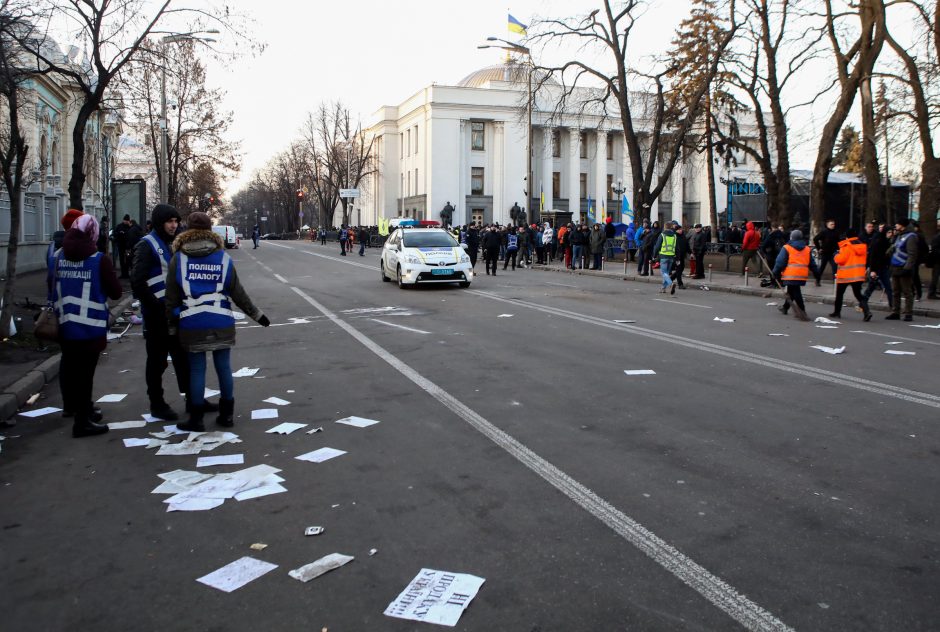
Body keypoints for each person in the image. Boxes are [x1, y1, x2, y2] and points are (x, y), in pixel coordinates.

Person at [165, 212, 270, 431]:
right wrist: (258, 316)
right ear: (210, 230)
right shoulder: (223, 258)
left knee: (196, 369)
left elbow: (171, 298)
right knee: (223, 366)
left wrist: (172, 327)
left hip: (191, 322)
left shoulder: (178, 259)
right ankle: (227, 415)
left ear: (188, 231)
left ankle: (196, 419)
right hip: (221, 320)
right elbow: (238, 294)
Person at [51, 214, 122, 437]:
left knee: (70, 367)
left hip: (64, 324)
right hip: (90, 327)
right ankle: (83, 421)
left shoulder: (58, 256)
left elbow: (51, 285)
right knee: (85, 374)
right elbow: (116, 292)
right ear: (93, 233)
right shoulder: (99, 259)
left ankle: (76, 408)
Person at [132, 204, 193, 421]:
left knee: (183, 358)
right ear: (159, 223)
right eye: (169, 222)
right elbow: (137, 282)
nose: (173, 225)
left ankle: (192, 400)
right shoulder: (146, 245)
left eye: (176, 221)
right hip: (157, 315)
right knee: (157, 361)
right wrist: (156, 306)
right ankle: (156, 403)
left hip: (175, 313)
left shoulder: (174, 243)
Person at [772, 230, 819, 321]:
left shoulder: (787, 247)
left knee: (796, 293)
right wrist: (817, 274)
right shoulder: (807, 249)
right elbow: (812, 264)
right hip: (802, 275)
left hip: (790, 274)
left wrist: (775, 272)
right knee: (791, 291)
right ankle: (785, 308)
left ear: (791, 237)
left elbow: (780, 262)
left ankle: (802, 311)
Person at [830, 227, 871, 321]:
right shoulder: (862, 246)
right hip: (858, 275)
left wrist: (836, 255)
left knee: (839, 294)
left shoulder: (846, 245)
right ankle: (867, 312)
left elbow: (841, 260)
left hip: (846, 274)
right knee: (858, 295)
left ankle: (837, 312)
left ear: (847, 236)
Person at [886, 218, 918, 321]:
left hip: (904, 267)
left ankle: (908, 313)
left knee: (907, 291)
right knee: (895, 291)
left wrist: (907, 268)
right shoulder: (899, 235)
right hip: (895, 266)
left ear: (902, 225)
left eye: (897, 224)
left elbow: (912, 254)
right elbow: (893, 249)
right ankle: (896, 312)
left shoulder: (911, 236)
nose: (895, 226)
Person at [863, 223, 894, 309]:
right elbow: (873, 256)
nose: (890, 234)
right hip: (876, 268)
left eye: (891, 232)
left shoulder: (887, 242)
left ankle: (893, 305)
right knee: (871, 287)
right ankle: (863, 302)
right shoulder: (878, 241)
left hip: (883, 267)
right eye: (889, 232)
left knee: (888, 287)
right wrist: (872, 270)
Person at [653, 221, 678, 294]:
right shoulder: (674, 236)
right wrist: (677, 256)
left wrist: (654, 255)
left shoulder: (662, 235)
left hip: (663, 256)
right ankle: (663, 288)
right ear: (671, 227)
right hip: (671, 256)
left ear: (664, 227)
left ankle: (671, 284)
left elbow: (657, 246)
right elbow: (676, 247)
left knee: (663, 273)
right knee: (666, 273)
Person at [813, 219, 839, 285]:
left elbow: (838, 241)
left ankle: (835, 281)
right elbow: (815, 239)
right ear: (827, 225)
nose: (833, 225)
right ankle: (817, 280)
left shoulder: (836, 232)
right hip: (825, 253)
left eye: (834, 224)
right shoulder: (824, 232)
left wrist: (838, 249)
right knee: (822, 267)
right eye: (831, 224)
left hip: (833, 253)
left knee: (834, 267)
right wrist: (819, 248)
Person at [672, 223, 690, 289]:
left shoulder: (683, 236)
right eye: (678, 230)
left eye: (681, 229)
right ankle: (680, 284)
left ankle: (671, 278)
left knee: (682, 268)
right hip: (676, 256)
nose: (680, 231)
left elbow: (686, 245)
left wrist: (690, 252)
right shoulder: (674, 236)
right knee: (679, 269)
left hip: (682, 255)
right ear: (676, 230)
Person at [928, 229, 940, 300]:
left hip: (937, 261)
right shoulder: (937, 238)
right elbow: (935, 250)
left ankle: (932, 292)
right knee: (935, 277)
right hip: (937, 261)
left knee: (935, 277)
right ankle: (931, 293)